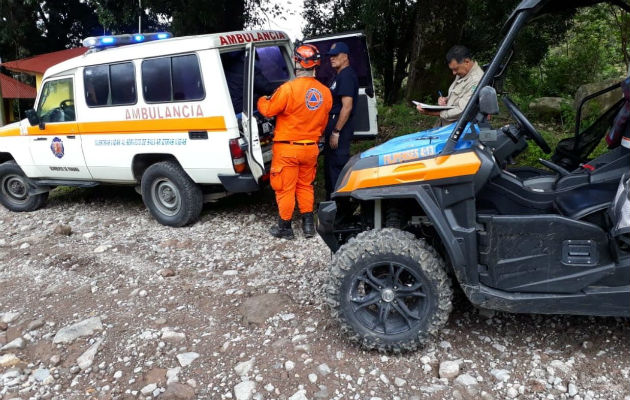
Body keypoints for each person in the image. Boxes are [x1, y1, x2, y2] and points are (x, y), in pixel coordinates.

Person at [257, 44, 333, 239]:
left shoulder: (288, 89)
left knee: (285, 188)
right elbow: (323, 123)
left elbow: (268, 110)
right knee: (306, 186)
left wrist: (262, 99)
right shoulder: (325, 93)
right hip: (311, 148)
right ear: (316, 63)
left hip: (288, 150)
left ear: (297, 62)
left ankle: (285, 227)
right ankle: (308, 226)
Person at [324, 42, 359, 200]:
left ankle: (340, 211)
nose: (332, 58)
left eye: (336, 55)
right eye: (331, 55)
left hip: (340, 130)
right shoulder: (338, 75)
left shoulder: (346, 76)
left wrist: (336, 131)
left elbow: (347, 107)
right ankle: (332, 207)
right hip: (333, 126)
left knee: (338, 169)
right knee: (331, 168)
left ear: (345, 57)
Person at [417, 45, 483, 127]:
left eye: (455, 69)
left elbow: (463, 110)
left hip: (458, 130)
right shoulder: (463, 72)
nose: (454, 73)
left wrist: (432, 112)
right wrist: (446, 99)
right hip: (446, 126)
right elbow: (459, 95)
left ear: (466, 62)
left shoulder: (476, 80)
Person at [222, 50, 279, 115]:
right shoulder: (248, 68)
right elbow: (266, 88)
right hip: (243, 107)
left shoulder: (227, 67)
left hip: (230, 107)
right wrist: (285, 85)